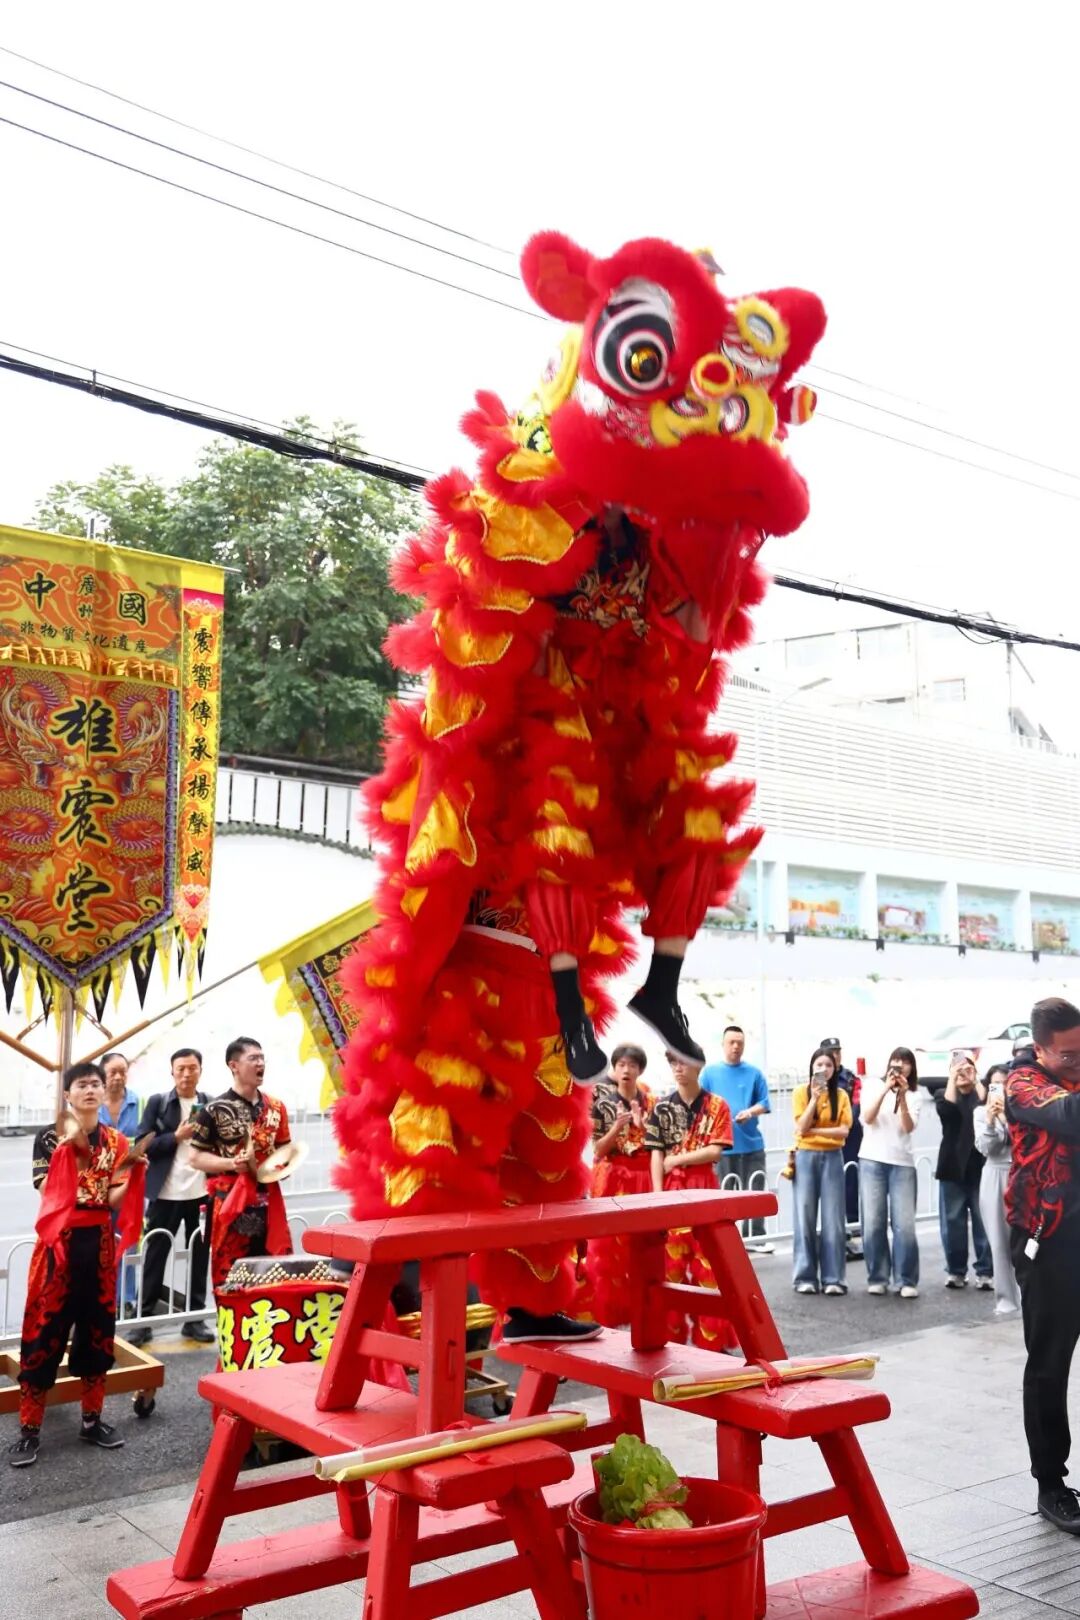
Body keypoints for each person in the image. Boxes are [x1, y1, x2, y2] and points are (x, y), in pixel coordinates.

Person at [8, 1062, 145, 1468]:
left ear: (103, 1091)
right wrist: (68, 1151)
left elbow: (112, 1201)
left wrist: (132, 1174)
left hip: (98, 1244)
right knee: (43, 1332)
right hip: (59, 1245)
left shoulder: (118, 1141)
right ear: (67, 1094)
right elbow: (48, 1191)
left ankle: (92, 1420)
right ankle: (29, 1430)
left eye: (95, 1084)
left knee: (98, 1332)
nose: (90, 1090)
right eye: (81, 1084)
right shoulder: (50, 1137)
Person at [1004, 997, 1080, 1533]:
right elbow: (1069, 1115)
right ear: (1040, 1050)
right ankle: (1051, 1484)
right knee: (1049, 1365)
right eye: (1068, 1056)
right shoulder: (1022, 1083)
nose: (1078, 1062)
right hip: (1047, 1242)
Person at [188, 1038, 293, 1295]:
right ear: (233, 1065)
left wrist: (283, 1167)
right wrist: (231, 1164)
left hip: (268, 1202)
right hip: (230, 1202)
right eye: (253, 1058)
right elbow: (195, 1157)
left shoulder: (276, 1108)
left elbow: (285, 1151)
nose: (260, 1063)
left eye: (262, 1058)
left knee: (273, 1275)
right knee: (230, 1278)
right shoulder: (213, 1110)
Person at [645, 1051, 733, 1346]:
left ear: (698, 1066)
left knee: (709, 1263)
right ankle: (672, 1341)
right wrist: (657, 1197)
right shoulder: (661, 1107)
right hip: (672, 1189)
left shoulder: (717, 1105)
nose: (678, 1068)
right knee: (671, 1268)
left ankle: (711, 1341)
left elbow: (715, 1151)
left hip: (703, 1185)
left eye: (683, 1062)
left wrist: (677, 1159)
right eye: (673, 1063)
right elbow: (656, 1154)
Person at [127, 1048, 213, 1348]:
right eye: (181, 1069)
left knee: (199, 1257)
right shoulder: (159, 1103)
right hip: (165, 1193)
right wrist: (176, 1137)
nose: (187, 1074)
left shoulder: (211, 1103)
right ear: (172, 1072)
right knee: (155, 1256)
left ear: (200, 1070)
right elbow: (142, 1144)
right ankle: (142, 1321)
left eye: (192, 1067)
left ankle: (195, 1319)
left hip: (202, 1193)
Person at [585, 1044, 654, 1325]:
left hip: (643, 1177)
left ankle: (643, 1310)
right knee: (608, 1249)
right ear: (614, 1068)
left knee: (643, 1246)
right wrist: (616, 1126)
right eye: (622, 1065)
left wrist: (642, 1125)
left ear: (640, 1070)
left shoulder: (651, 1101)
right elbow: (598, 1150)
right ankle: (609, 1315)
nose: (626, 1070)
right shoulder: (602, 1103)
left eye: (632, 1065)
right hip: (613, 1177)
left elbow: (660, 1146)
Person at [701, 1024, 773, 1251]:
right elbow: (700, 1104)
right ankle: (727, 1240)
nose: (736, 1047)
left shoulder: (754, 1073)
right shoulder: (709, 1073)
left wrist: (750, 1112)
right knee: (724, 1195)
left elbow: (765, 1102)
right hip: (722, 1147)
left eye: (740, 1043)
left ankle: (756, 1238)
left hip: (751, 1144)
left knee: (754, 1192)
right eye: (731, 1042)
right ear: (723, 1044)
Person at [858, 1047, 921, 1298]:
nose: (899, 1066)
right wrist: (886, 1089)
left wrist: (902, 1096)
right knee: (873, 1222)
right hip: (872, 1159)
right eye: (896, 1061)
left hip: (902, 1162)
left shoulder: (915, 1095)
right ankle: (878, 1277)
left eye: (905, 1062)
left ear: (911, 1068)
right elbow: (867, 1117)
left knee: (904, 1225)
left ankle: (906, 1279)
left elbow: (908, 1127)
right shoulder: (873, 1086)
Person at [792, 1047, 852, 1296]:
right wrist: (814, 1099)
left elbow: (844, 1131)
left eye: (828, 1065)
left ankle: (834, 1278)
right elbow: (800, 1126)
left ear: (834, 1069)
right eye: (819, 1065)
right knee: (804, 1216)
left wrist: (814, 1132)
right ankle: (804, 1276)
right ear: (812, 1068)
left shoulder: (841, 1095)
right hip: (805, 1156)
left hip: (833, 1156)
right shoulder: (801, 1092)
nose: (824, 1069)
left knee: (833, 1218)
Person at [935, 1052, 992, 1290]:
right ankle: (956, 1270)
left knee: (983, 1221)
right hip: (952, 1167)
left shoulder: (981, 1094)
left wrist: (973, 1077)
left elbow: (987, 1104)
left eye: (967, 1069)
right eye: (957, 1069)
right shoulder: (943, 1094)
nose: (962, 1073)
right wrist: (953, 1077)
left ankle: (985, 1272)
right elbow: (947, 1110)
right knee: (953, 1222)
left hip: (980, 1166)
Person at [974, 1063, 1020, 1317]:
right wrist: (991, 1120)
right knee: (999, 1241)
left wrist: (1005, 1116)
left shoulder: (1021, 1111)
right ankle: (1006, 1300)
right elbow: (986, 1148)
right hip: (994, 1174)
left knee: (1024, 1239)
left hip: (1019, 1174)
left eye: (1003, 1084)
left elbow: (1022, 1141)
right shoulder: (980, 1113)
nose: (999, 1089)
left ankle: (1027, 1296)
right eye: (994, 1085)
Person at [100, 1050, 141, 1313]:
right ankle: (102, 1294)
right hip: (98, 1184)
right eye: (112, 1072)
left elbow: (148, 1136)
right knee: (100, 1241)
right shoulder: (91, 1103)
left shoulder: (139, 1102)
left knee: (128, 1239)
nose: (118, 1077)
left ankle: (125, 1299)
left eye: (122, 1072)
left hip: (130, 1184)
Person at [819, 1037, 862, 1259]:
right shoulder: (817, 1080)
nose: (835, 1056)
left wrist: (838, 1124)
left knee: (850, 1182)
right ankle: (833, 1233)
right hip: (824, 1143)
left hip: (849, 1140)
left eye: (837, 1052)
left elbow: (854, 1110)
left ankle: (853, 1229)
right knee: (828, 1188)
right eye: (830, 1052)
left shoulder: (851, 1079)